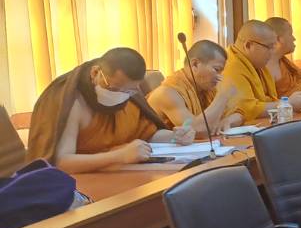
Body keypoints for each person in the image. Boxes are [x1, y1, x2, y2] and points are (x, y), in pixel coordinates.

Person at [25, 48, 191, 172]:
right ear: (95, 72)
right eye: (113, 88)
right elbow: (60, 162)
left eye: (129, 91)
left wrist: (174, 136)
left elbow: (146, 135)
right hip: (79, 183)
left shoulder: (129, 95)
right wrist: (119, 156)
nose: (121, 96)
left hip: (122, 173)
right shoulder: (71, 100)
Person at [148, 39, 244, 138]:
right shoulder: (167, 93)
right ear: (195, 64)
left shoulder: (207, 89)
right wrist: (223, 96)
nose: (220, 76)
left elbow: (239, 115)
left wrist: (226, 121)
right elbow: (196, 130)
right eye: (216, 69)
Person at [222, 19, 301, 121]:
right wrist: (288, 104)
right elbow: (246, 109)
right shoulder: (232, 67)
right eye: (269, 47)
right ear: (248, 45)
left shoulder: (258, 65)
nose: (272, 52)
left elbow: (268, 100)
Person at [264, 17, 301, 102]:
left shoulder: (282, 61)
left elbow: (300, 83)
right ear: (278, 39)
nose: (294, 39)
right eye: (290, 34)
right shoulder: (265, 66)